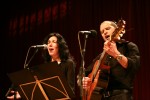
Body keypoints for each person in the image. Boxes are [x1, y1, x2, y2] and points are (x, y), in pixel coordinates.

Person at [79, 20, 140, 100]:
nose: (104, 32)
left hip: (121, 96)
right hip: (101, 97)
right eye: (102, 32)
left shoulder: (129, 46)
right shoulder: (100, 57)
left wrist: (116, 54)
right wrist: (85, 80)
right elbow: (84, 74)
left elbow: (134, 66)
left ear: (116, 30)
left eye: (107, 29)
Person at [7, 32, 76, 99]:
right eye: (48, 42)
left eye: (54, 42)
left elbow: (71, 90)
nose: (50, 44)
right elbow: (40, 89)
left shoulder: (68, 63)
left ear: (60, 45)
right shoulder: (46, 65)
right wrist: (23, 94)